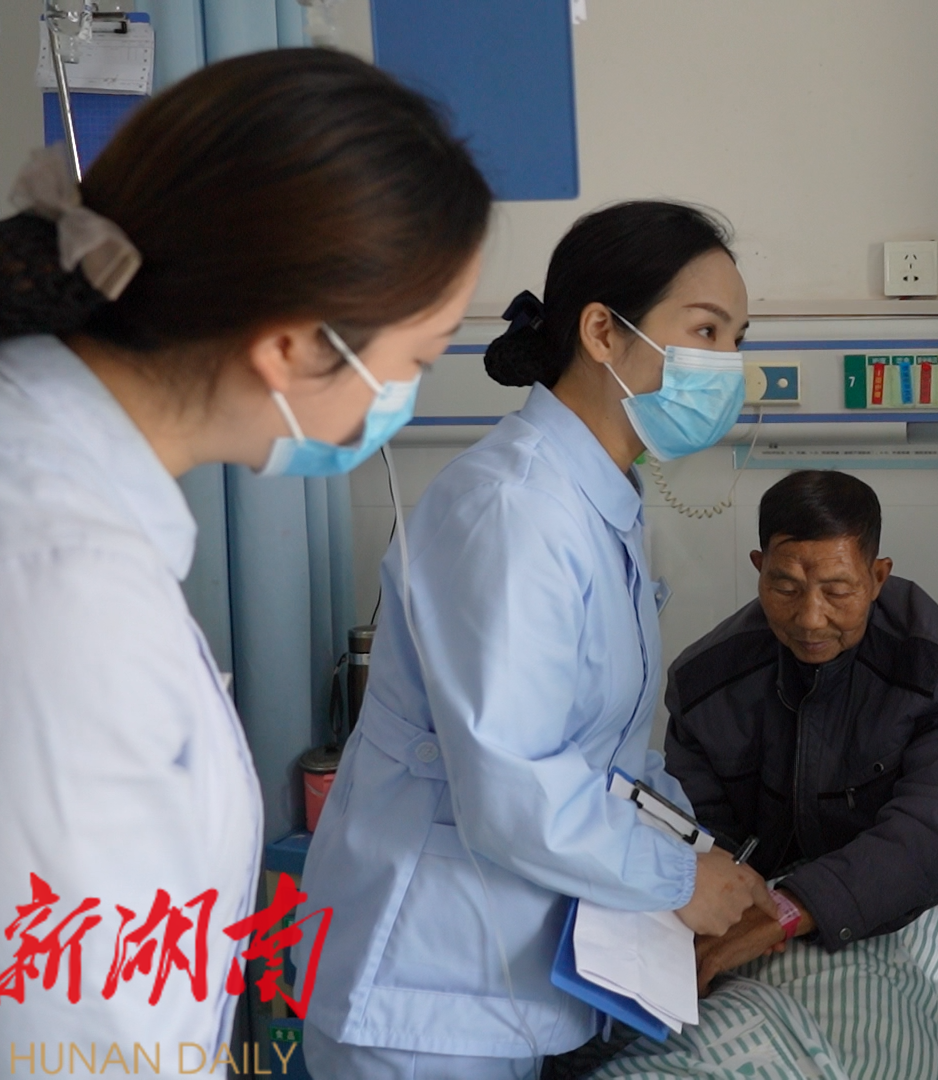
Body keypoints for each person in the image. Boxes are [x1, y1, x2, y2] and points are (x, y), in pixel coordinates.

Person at [0, 49, 489, 1065]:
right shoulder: (55, 590)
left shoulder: (41, 476)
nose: (406, 396)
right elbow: (60, 1031)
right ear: (291, 347)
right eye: (417, 361)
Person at [296, 201, 775, 1080]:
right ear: (602, 331)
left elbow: (605, 756)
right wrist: (678, 880)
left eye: (737, 340)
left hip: (497, 980)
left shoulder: (597, 503)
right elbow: (515, 783)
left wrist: (697, 850)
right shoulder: (515, 510)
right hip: (423, 994)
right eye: (705, 331)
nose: (728, 366)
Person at [665, 470, 938, 993]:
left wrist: (791, 908)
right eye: (785, 587)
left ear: (877, 576)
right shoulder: (705, 686)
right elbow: (698, 834)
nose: (811, 618)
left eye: (838, 590)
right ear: (759, 568)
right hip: (779, 906)